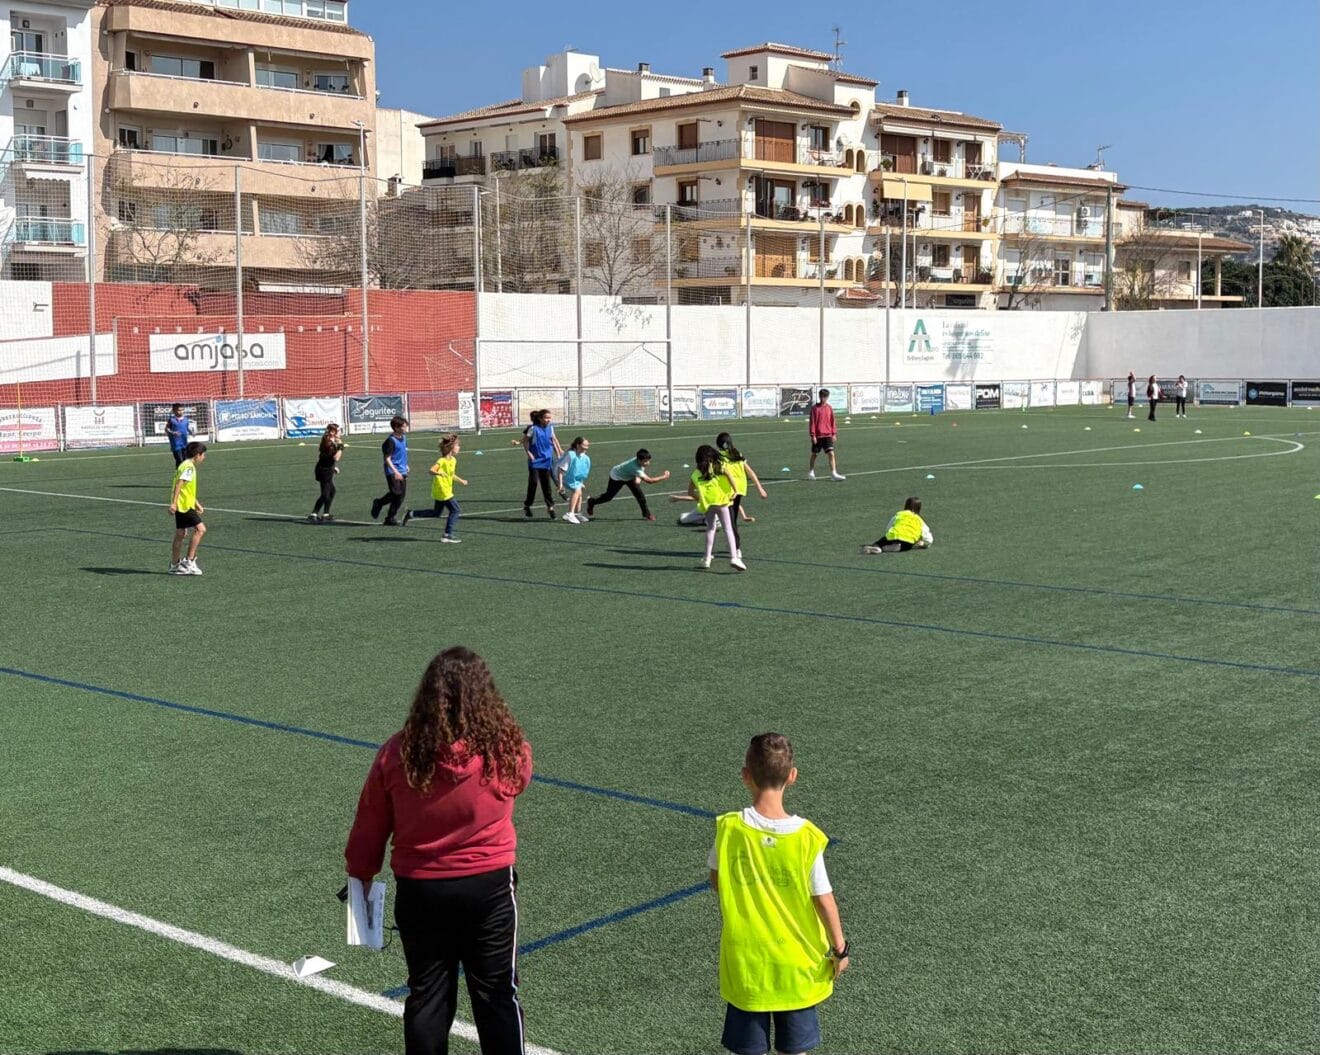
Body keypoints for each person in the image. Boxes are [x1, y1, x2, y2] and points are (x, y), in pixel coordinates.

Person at [345, 647, 533, 1055]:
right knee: (497, 996)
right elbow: (520, 779)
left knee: (427, 996)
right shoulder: (505, 748)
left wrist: (361, 873)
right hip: (489, 888)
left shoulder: (398, 754)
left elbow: (370, 822)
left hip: (422, 890)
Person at [710, 733, 848, 1055]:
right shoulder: (807, 838)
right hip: (796, 967)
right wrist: (840, 949)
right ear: (792, 776)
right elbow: (823, 899)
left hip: (747, 965)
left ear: (746, 775)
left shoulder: (729, 830)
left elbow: (717, 880)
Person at [689, 444, 745, 571]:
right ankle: (734, 557)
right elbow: (730, 478)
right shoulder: (719, 466)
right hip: (722, 502)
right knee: (728, 529)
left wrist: (701, 498)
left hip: (708, 505)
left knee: (710, 529)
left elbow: (690, 492)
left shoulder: (695, 473)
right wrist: (735, 491)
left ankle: (707, 558)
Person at [716, 432, 767, 559]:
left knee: (730, 520)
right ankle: (733, 544)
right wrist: (760, 488)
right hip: (740, 489)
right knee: (731, 518)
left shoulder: (719, 456)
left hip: (729, 490)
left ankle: (736, 548)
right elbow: (750, 471)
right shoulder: (737, 454)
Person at [410, 433, 467, 543]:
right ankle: (447, 535)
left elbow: (451, 474)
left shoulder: (453, 460)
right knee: (455, 510)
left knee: (436, 513)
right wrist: (439, 473)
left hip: (445, 490)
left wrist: (461, 480)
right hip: (442, 490)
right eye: (457, 445)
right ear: (451, 447)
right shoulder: (442, 461)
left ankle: (411, 513)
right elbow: (431, 470)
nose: (459, 447)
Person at [587, 449, 670, 521]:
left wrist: (638, 479)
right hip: (617, 477)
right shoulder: (634, 467)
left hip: (629, 476)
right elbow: (650, 481)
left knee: (640, 495)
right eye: (645, 461)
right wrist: (664, 476)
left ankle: (647, 514)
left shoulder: (640, 462)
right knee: (608, 497)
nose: (647, 463)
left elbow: (639, 477)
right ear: (639, 460)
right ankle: (592, 501)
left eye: (648, 460)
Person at [168, 441, 207, 575]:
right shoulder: (189, 467)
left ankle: (174, 565)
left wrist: (196, 503)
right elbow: (179, 484)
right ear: (197, 455)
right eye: (203, 455)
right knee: (201, 529)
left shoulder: (184, 465)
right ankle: (189, 561)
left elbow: (185, 488)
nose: (204, 458)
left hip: (184, 504)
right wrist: (173, 503)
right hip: (184, 506)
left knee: (181, 533)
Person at [371, 416, 411, 527]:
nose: (406, 428)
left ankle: (390, 518)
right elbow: (387, 458)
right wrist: (395, 471)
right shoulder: (390, 441)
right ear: (396, 427)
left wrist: (406, 465)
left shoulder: (404, 438)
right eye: (404, 426)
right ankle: (379, 503)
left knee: (401, 496)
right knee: (396, 493)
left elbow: (402, 453)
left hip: (402, 470)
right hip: (392, 470)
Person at [522, 409, 562, 520]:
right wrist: (529, 452)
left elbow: (553, 440)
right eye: (546, 418)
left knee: (546, 485)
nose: (549, 420)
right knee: (533, 483)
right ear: (540, 418)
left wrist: (558, 453)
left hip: (546, 460)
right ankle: (527, 505)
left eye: (550, 418)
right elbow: (525, 441)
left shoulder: (550, 427)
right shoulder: (533, 429)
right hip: (535, 460)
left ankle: (550, 507)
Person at [861, 496, 933, 554]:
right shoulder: (919, 520)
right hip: (908, 542)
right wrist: (924, 544)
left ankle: (878, 547)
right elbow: (928, 538)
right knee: (905, 546)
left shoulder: (900, 514)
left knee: (881, 542)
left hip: (894, 535)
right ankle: (894, 548)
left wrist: (889, 534)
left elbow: (889, 528)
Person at [807, 389, 845, 481]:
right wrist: (813, 435)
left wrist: (834, 433)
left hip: (827, 435)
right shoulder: (815, 408)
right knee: (815, 454)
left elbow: (832, 421)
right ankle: (811, 471)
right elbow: (812, 423)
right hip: (818, 436)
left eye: (825, 396)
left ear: (827, 397)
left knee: (831, 453)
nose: (823, 398)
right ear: (819, 396)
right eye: (822, 396)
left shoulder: (829, 408)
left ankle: (834, 474)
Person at [309, 423, 344, 523]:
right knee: (325, 494)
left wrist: (333, 467)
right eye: (339, 431)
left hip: (327, 468)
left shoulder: (331, 440)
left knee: (332, 491)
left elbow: (326, 457)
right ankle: (313, 514)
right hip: (324, 471)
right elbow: (336, 457)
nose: (340, 433)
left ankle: (326, 514)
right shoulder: (328, 441)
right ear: (333, 432)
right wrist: (341, 446)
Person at [555, 436, 591, 524]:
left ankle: (577, 513)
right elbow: (560, 470)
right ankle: (570, 513)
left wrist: (581, 483)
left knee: (580, 491)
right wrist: (560, 485)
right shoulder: (571, 455)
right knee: (577, 490)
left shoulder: (585, 458)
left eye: (587, 446)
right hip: (563, 477)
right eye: (584, 445)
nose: (586, 448)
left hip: (573, 478)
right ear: (578, 445)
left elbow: (581, 473)